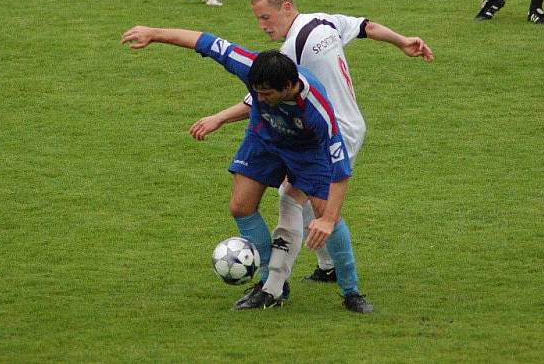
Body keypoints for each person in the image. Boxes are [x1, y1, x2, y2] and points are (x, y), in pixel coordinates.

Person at [189, 0, 433, 302]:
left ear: (286, 7)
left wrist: (218, 117)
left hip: (328, 131)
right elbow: (366, 27)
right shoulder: (322, 21)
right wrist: (402, 41)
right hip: (348, 123)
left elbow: (260, 101)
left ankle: (276, 287)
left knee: (296, 200)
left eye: (266, 17)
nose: (262, 26)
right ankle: (327, 266)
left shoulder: (291, 52)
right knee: (302, 202)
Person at [120, 25, 373, 313]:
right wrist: (154, 34)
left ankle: (351, 291)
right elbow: (206, 41)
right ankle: (271, 285)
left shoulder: (318, 111)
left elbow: (340, 171)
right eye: (256, 93)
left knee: (326, 212)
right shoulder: (252, 66)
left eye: (266, 95)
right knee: (241, 206)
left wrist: (327, 220)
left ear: (289, 87)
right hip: (263, 141)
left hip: (307, 152)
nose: (258, 99)